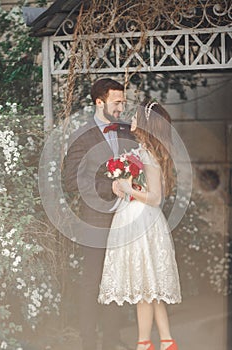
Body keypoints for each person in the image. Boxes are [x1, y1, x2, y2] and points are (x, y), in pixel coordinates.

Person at [98, 100, 181, 350]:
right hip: (141, 218)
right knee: (149, 286)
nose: (131, 120)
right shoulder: (145, 150)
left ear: (144, 123)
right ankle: (163, 341)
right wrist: (128, 185)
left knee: (146, 286)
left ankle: (145, 343)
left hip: (142, 220)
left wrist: (127, 189)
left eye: (135, 116)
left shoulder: (147, 153)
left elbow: (155, 197)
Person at [63, 78, 137, 350]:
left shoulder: (127, 132)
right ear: (99, 102)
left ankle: (111, 340)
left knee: (117, 281)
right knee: (92, 281)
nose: (121, 107)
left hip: (125, 219)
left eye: (123, 102)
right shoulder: (82, 136)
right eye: (116, 102)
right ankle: (89, 342)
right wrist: (111, 185)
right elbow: (71, 181)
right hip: (94, 220)